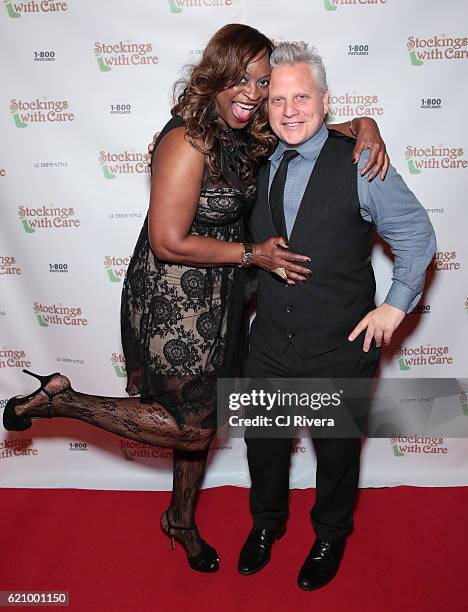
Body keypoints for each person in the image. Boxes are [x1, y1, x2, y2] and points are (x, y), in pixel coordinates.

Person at [3, 25, 388, 573]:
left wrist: (365, 126)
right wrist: (254, 256)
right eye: (241, 79)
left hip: (225, 294)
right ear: (215, 74)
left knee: (203, 414)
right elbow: (168, 240)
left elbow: (310, 128)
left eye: (262, 81)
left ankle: (180, 520)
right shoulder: (187, 139)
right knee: (193, 425)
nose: (254, 93)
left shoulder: (248, 129)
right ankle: (62, 401)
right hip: (174, 297)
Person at [237, 42, 436, 590]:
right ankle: (266, 524)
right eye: (277, 99)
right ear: (265, 107)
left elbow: (416, 235)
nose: (290, 109)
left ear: (325, 101)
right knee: (265, 444)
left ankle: (330, 533)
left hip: (339, 344)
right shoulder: (257, 158)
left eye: (302, 96)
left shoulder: (359, 161)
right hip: (270, 342)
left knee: (337, 452)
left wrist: (396, 306)